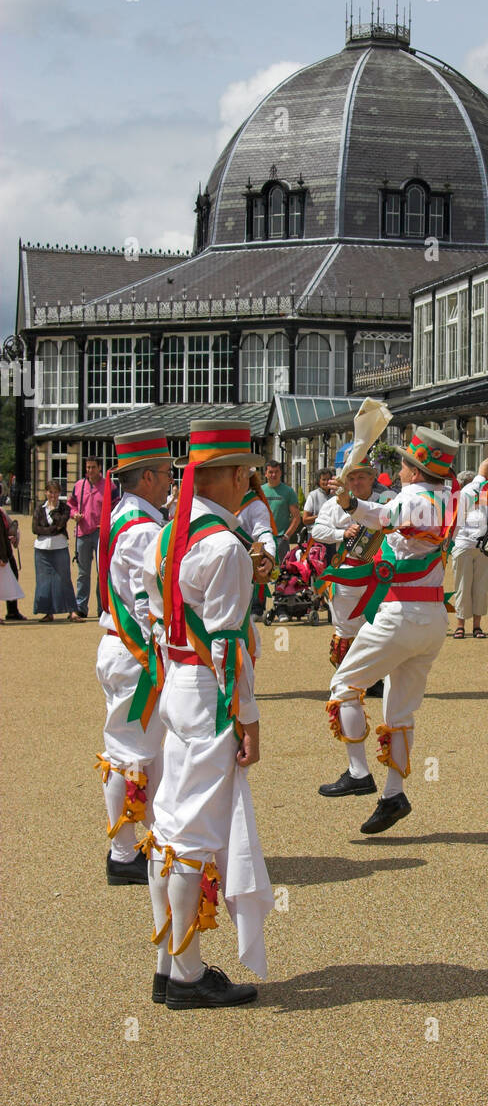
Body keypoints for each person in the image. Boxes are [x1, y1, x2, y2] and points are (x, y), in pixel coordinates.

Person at [141, 420, 273, 1010]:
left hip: (178, 684)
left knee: (170, 822)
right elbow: (227, 645)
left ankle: (169, 961)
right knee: (191, 829)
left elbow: (152, 612)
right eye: (244, 470)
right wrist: (248, 717)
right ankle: (188, 975)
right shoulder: (225, 545)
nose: (249, 478)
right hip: (209, 692)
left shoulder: (170, 533)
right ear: (229, 475)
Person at [319, 427, 459, 834]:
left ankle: (359, 772)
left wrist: (346, 501)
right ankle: (393, 795)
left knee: (344, 686)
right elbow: (478, 494)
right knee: (400, 711)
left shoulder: (414, 498)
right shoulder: (453, 499)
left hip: (400, 614)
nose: (398, 473)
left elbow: (380, 518)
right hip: (433, 618)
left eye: (402, 466)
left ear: (415, 471)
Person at [94, 431, 173, 885]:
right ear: (146, 477)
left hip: (121, 646)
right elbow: (148, 602)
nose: (169, 481)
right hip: (133, 651)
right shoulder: (144, 528)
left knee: (139, 751)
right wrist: (160, 651)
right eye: (165, 474)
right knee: (129, 753)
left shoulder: (124, 515)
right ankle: (123, 854)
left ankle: (150, 841)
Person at [311, 457, 388, 692]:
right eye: (351, 478)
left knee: (375, 626)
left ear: (372, 478)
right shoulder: (334, 504)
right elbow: (317, 530)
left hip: (381, 574)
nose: (356, 482)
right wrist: (342, 532)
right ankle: (345, 678)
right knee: (346, 628)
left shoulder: (386, 501)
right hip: (347, 572)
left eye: (361, 477)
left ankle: (372, 679)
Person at [451, 457, 488, 638]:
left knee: (480, 587)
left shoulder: (484, 501)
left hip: (483, 548)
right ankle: (460, 624)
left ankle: (477, 626)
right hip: (463, 546)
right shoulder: (461, 499)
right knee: (462, 586)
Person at [69, 457, 117, 618]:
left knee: (101, 571)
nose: (90, 470)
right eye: (88, 467)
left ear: (99, 468)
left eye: (93, 467)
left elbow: (116, 506)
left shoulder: (109, 486)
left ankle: (102, 606)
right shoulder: (79, 486)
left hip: (100, 532)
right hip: (83, 532)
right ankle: (81, 606)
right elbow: (71, 505)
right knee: (83, 572)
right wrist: (75, 514)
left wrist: (107, 522)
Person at [31, 480, 79, 621]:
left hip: (59, 546)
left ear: (59, 493)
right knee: (44, 581)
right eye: (50, 492)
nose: (53, 495)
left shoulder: (64, 508)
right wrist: (52, 530)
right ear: (46, 492)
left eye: (56, 492)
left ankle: (72, 611)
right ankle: (48, 612)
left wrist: (52, 514)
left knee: (64, 579)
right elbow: (35, 529)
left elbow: (61, 523)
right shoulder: (39, 508)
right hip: (41, 548)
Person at [237, 470, 278, 620]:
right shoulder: (224, 503)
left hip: (243, 565)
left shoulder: (255, 505)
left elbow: (264, 533)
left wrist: (268, 554)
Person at [261, 460, 301, 564]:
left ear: (280, 473)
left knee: (282, 572)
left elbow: (296, 517)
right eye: (270, 472)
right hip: (263, 536)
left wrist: (286, 536)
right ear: (265, 474)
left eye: (276, 472)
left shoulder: (288, 492)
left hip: (281, 538)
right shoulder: (259, 491)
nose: (273, 475)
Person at [0, 504, 26, 622]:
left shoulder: (2, 511)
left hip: (6, 550)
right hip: (2, 552)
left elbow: (10, 526)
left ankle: (12, 611)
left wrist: (13, 536)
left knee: (13, 578)